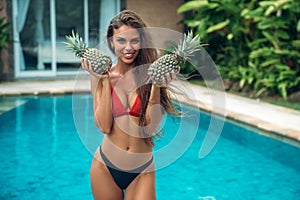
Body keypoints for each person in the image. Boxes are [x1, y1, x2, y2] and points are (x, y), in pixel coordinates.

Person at [81, 10, 179, 200]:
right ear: (111, 42)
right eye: (121, 41)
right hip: (105, 167)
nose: (128, 47)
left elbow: (150, 127)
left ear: (141, 42)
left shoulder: (151, 75)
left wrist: (157, 87)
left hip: (142, 170)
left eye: (134, 41)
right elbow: (103, 125)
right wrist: (103, 80)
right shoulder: (101, 76)